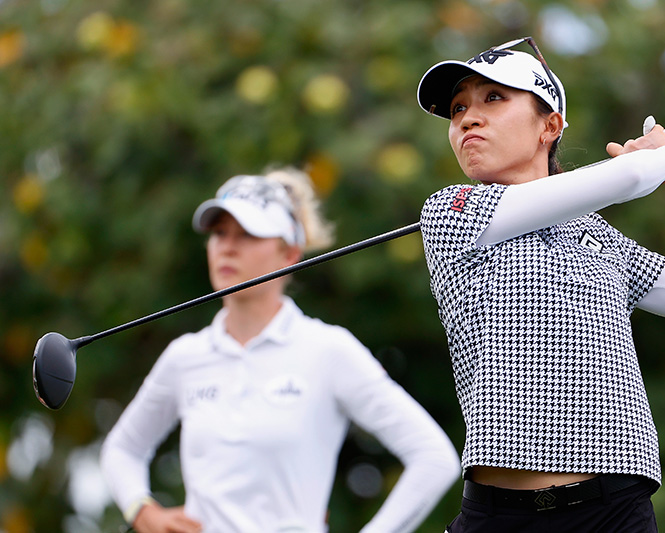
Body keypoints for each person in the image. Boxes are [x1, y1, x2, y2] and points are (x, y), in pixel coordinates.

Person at [415, 37, 665, 532]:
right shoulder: (454, 211)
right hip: (499, 517)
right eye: (457, 108)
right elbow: (634, 176)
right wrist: (661, 154)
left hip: (616, 512)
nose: (468, 118)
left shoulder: (597, 237)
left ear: (550, 126)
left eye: (493, 98)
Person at [100, 167, 461, 533]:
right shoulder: (185, 357)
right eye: (219, 233)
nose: (227, 246)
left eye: (247, 234)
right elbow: (122, 449)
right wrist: (143, 511)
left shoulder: (328, 350)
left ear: (289, 253)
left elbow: (434, 458)